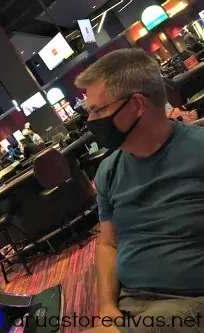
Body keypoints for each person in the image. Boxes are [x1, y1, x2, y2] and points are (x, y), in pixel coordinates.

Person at [75, 48, 204, 333]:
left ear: (136, 106)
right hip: (130, 304)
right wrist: (107, 307)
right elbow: (108, 244)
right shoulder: (108, 170)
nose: (91, 121)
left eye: (98, 110)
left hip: (190, 300)